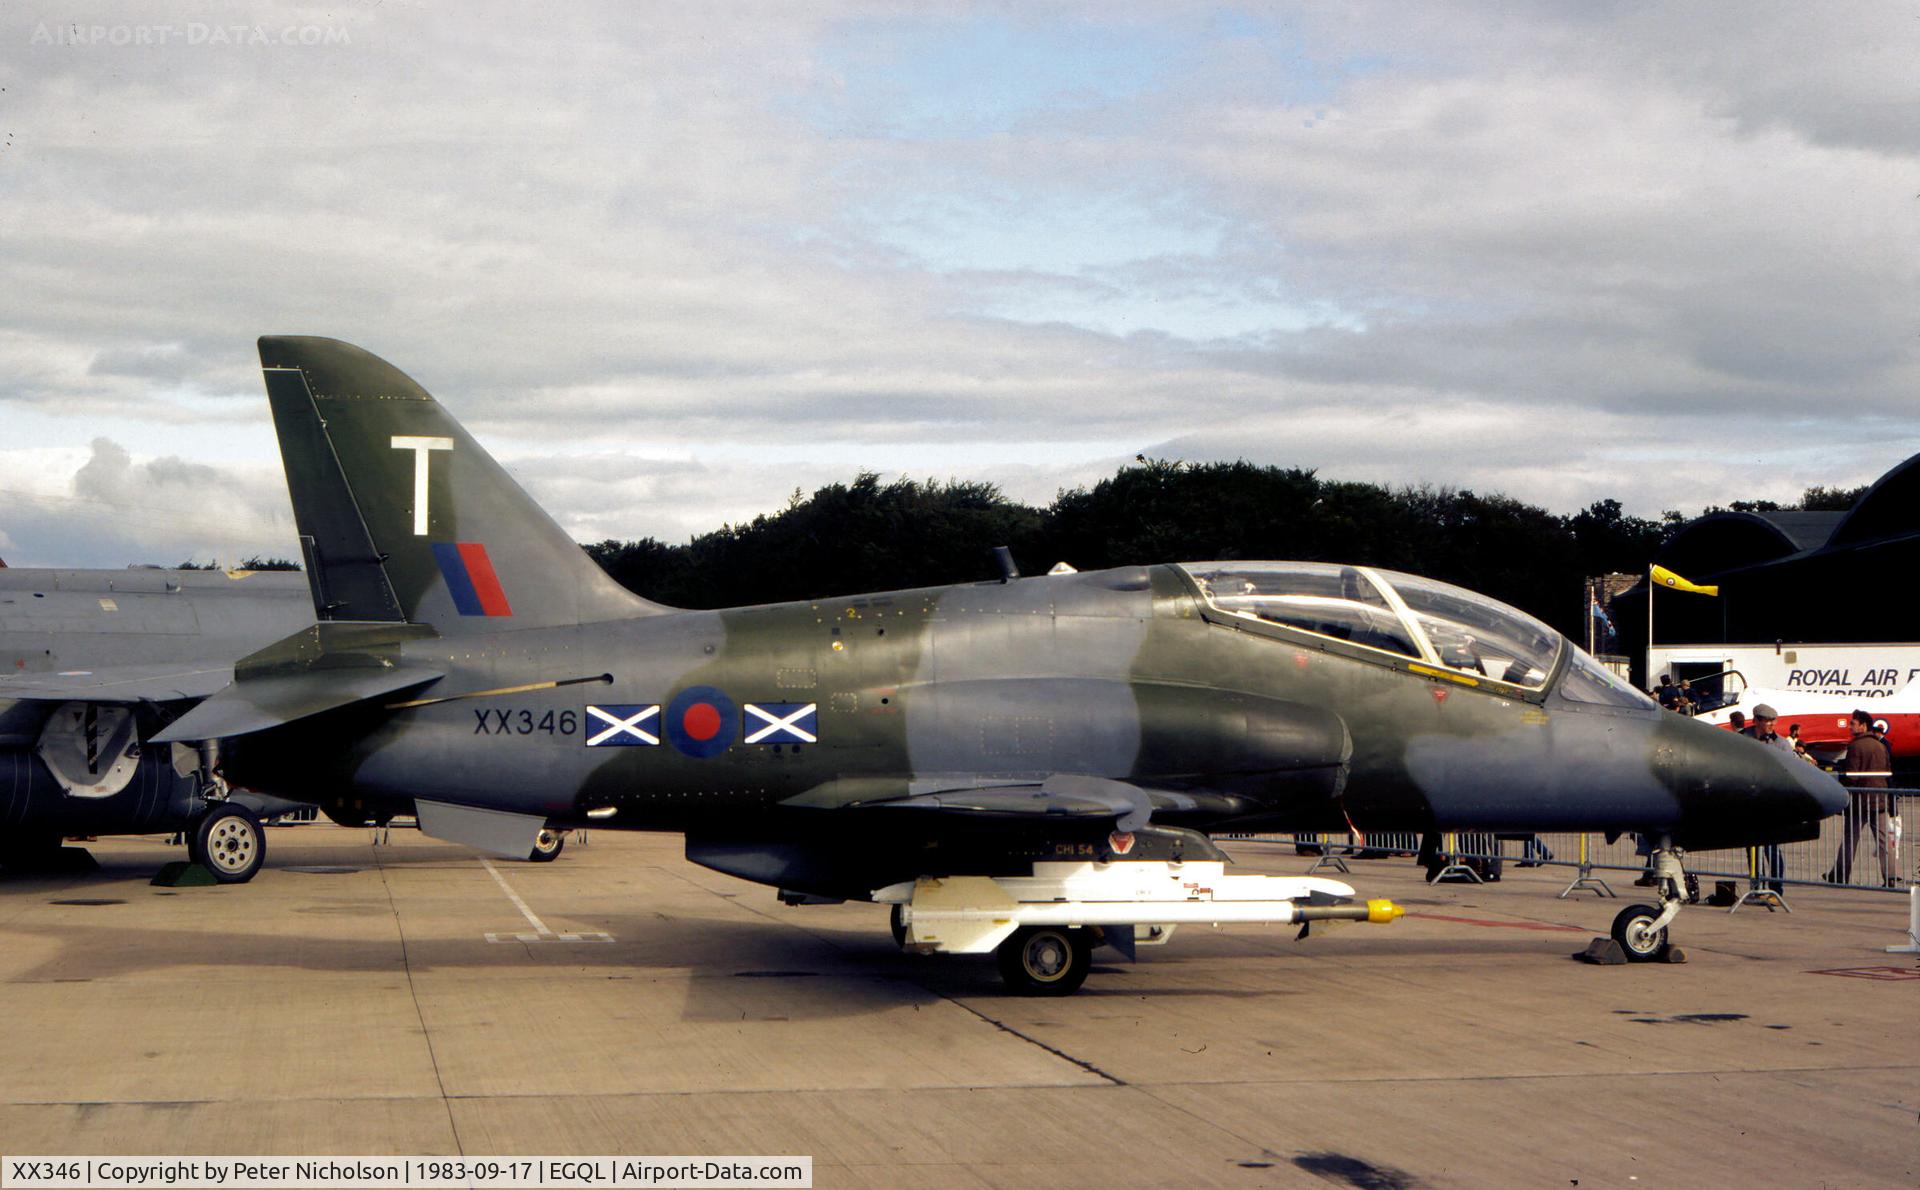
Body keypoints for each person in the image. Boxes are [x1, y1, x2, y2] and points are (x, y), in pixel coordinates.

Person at [1827, 709, 1896, 885]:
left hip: (1859, 801)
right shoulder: (1881, 745)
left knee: (1850, 840)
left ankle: (1841, 875)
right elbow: (1888, 771)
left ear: (1863, 725)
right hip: (1880, 798)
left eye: (1853, 723)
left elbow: (1852, 776)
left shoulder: (1856, 746)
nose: (1850, 726)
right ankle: (1890, 877)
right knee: (1883, 842)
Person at [1739, 705, 1792, 890]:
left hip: (1772, 803)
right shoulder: (1742, 739)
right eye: (1767, 721)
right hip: (1751, 802)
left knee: (1772, 848)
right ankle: (1755, 887)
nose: (1771, 725)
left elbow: (1789, 771)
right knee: (1752, 849)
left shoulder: (1781, 744)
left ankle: (1776, 888)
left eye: (1773, 721)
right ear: (1756, 721)